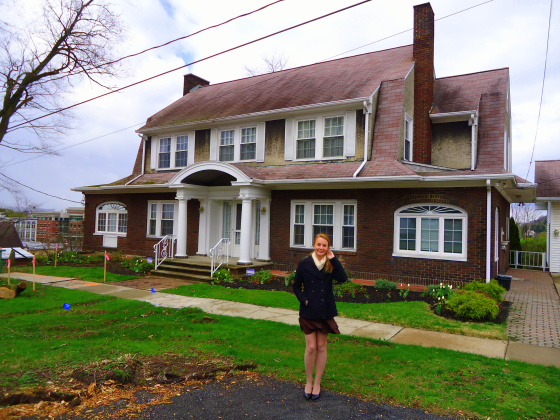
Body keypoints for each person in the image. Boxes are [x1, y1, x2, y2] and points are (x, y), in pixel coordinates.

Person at [292, 233, 348, 401]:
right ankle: (308, 382)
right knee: (311, 347)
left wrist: (334, 258)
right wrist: (304, 300)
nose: (321, 248)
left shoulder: (330, 264)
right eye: (319, 244)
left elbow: (343, 279)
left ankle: (317, 383)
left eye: (324, 245)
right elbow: (296, 286)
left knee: (321, 346)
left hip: (325, 311)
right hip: (309, 310)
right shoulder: (304, 263)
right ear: (313, 245)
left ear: (328, 247)